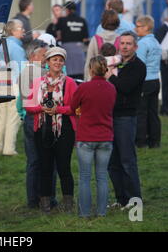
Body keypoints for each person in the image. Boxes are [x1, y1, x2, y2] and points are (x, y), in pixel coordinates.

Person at [24, 47, 77, 213]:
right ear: (47, 62)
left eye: (61, 60)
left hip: (64, 129)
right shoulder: (38, 82)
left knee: (64, 167)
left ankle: (68, 204)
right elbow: (28, 106)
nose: (58, 62)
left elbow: (75, 108)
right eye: (54, 59)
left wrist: (58, 110)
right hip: (42, 128)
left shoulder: (70, 82)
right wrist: (41, 108)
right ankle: (45, 203)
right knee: (45, 167)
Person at [71, 56, 116, 218]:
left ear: (90, 70)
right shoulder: (111, 88)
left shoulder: (84, 88)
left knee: (84, 177)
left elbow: (72, 106)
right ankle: (102, 212)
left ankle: (84, 213)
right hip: (105, 136)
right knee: (102, 177)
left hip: (86, 137)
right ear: (105, 70)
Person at [105, 32, 146, 210]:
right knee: (112, 162)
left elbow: (126, 88)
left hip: (125, 117)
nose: (125, 46)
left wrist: (110, 77)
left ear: (135, 47)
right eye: (122, 43)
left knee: (127, 160)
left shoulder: (138, 66)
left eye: (129, 43)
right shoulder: (115, 62)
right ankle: (121, 199)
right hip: (109, 115)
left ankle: (135, 199)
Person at [17, 40, 58, 209]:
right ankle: (48, 198)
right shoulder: (41, 73)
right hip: (41, 118)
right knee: (48, 160)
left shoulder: (24, 72)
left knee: (33, 161)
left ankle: (33, 199)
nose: (47, 58)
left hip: (29, 118)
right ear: (33, 56)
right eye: (44, 55)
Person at [0, 19, 27, 156]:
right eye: (20, 28)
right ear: (12, 31)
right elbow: (22, 70)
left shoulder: (2, 45)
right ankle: (9, 149)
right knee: (13, 118)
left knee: (1, 118)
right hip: (14, 84)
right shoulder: (17, 48)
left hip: (3, 84)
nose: (23, 30)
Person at [135, 16, 162, 148]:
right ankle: (155, 141)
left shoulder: (142, 43)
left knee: (141, 112)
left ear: (146, 27)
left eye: (138, 26)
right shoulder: (156, 42)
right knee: (153, 112)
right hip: (155, 80)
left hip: (144, 81)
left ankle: (140, 141)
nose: (136, 29)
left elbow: (139, 66)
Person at [55, 1, 89, 80]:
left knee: (68, 76)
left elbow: (58, 35)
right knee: (80, 75)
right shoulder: (82, 20)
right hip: (79, 49)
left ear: (67, 10)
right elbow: (85, 38)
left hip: (67, 49)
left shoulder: (62, 20)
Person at [85, 10, 121, 81]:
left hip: (97, 81)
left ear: (102, 22)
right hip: (114, 81)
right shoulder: (120, 40)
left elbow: (88, 62)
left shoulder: (95, 39)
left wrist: (87, 80)